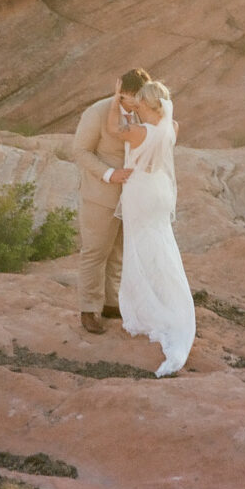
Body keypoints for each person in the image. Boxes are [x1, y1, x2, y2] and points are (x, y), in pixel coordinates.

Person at [106, 78, 195, 377]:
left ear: (149, 104)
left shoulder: (136, 130)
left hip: (140, 192)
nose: (138, 107)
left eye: (141, 103)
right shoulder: (173, 128)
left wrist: (115, 99)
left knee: (138, 247)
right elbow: (154, 136)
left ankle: (146, 308)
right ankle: (172, 302)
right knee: (162, 246)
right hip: (160, 190)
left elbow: (111, 130)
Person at [71, 68, 151, 334]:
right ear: (121, 93)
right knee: (95, 251)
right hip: (100, 195)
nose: (137, 105)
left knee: (117, 251)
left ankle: (109, 302)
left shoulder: (144, 110)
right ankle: (89, 309)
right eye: (131, 100)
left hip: (131, 197)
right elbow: (80, 151)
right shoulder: (97, 112)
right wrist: (110, 174)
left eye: (140, 99)